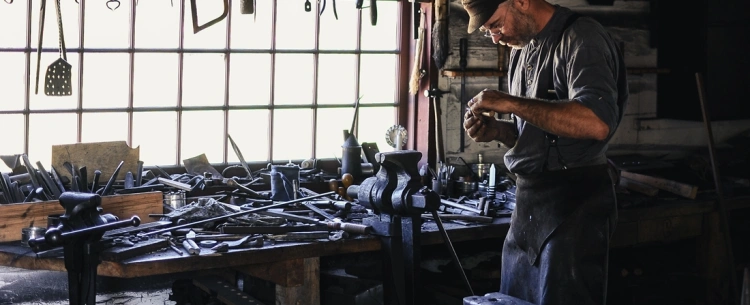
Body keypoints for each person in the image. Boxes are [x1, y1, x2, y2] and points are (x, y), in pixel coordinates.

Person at [461, 0, 629, 304]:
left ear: (522, 2)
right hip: (528, 206)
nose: (496, 37)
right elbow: (535, 134)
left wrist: (510, 102)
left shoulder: (581, 38)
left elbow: (597, 122)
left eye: (496, 25)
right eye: (489, 32)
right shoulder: (522, 49)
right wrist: (498, 130)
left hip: (574, 204)